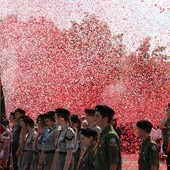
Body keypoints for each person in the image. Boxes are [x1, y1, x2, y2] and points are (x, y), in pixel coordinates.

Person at [94, 105, 122, 170]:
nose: (95, 119)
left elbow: (113, 162)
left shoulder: (111, 136)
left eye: (97, 116)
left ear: (105, 119)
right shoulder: (102, 134)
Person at [159, 103, 170, 170]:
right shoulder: (166, 121)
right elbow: (160, 127)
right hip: (167, 144)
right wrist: (166, 115)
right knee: (169, 162)